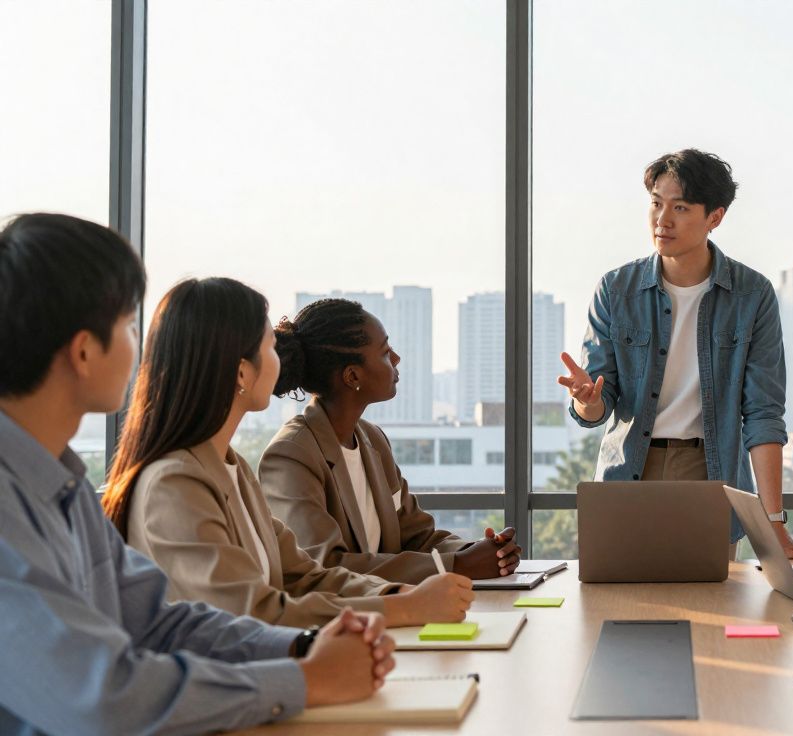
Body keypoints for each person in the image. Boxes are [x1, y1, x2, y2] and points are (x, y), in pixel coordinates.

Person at [0, 213, 394, 733]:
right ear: (83, 350)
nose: (139, 346)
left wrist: (303, 647)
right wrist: (306, 680)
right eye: (126, 325)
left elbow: (159, 621)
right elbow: (104, 698)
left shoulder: (62, 488)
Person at [102, 277, 474, 628]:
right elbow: (252, 613)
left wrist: (402, 594)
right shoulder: (175, 483)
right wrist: (403, 607)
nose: (281, 360)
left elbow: (305, 577)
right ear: (242, 374)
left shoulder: (232, 469)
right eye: (269, 347)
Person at [558, 149, 793, 557]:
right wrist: (586, 401)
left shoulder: (752, 296)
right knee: (619, 609)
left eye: (680, 207)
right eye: (656, 204)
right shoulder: (616, 289)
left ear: (715, 217)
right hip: (629, 472)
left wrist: (774, 529)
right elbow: (596, 409)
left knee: (711, 606)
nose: (663, 220)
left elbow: (764, 415)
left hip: (710, 473)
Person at [259, 298, 520, 584]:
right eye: (384, 352)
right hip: (340, 622)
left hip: (398, 613)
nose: (396, 358)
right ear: (352, 375)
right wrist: (455, 565)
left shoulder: (373, 440)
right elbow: (325, 568)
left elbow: (418, 536)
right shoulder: (291, 455)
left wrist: (479, 552)